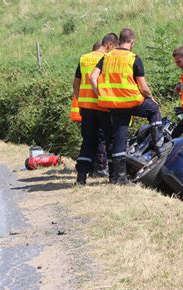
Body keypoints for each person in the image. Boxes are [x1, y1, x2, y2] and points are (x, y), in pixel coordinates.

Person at [89, 28, 163, 185]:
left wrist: (100, 94)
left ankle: (120, 177)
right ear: (132, 41)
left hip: (114, 104)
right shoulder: (133, 58)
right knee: (153, 109)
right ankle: (159, 146)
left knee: (119, 138)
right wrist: (151, 97)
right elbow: (143, 86)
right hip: (132, 101)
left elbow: (92, 77)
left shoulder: (106, 57)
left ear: (119, 40)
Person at [74, 33, 118, 185]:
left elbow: (76, 83)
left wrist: (80, 101)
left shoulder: (84, 58)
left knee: (88, 141)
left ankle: (81, 178)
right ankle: (113, 177)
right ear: (109, 45)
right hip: (103, 107)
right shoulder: (108, 59)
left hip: (86, 108)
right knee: (110, 140)